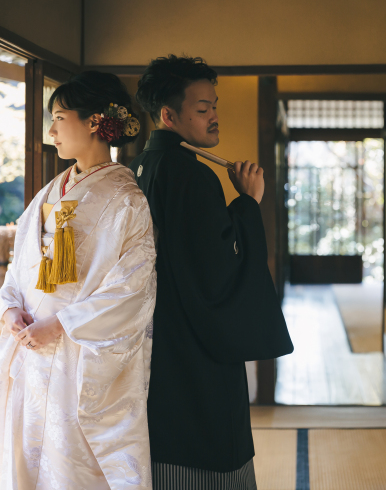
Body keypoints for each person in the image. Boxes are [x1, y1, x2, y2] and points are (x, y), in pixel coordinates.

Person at [0, 72, 156, 489]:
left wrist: (60, 324)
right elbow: (19, 269)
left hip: (77, 358)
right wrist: (10, 309)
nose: (51, 131)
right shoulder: (49, 193)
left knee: (72, 469)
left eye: (59, 119)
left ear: (95, 122)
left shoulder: (127, 199)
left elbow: (132, 289)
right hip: (31, 350)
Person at [130, 55, 293, 489]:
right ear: (169, 115)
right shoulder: (191, 175)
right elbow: (218, 275)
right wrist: (248, 202)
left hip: (156, 336)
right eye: (203, 109)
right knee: (208, 444)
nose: (214, 116)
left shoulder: (141, 166)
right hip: (193, 343)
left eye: (214, 106)